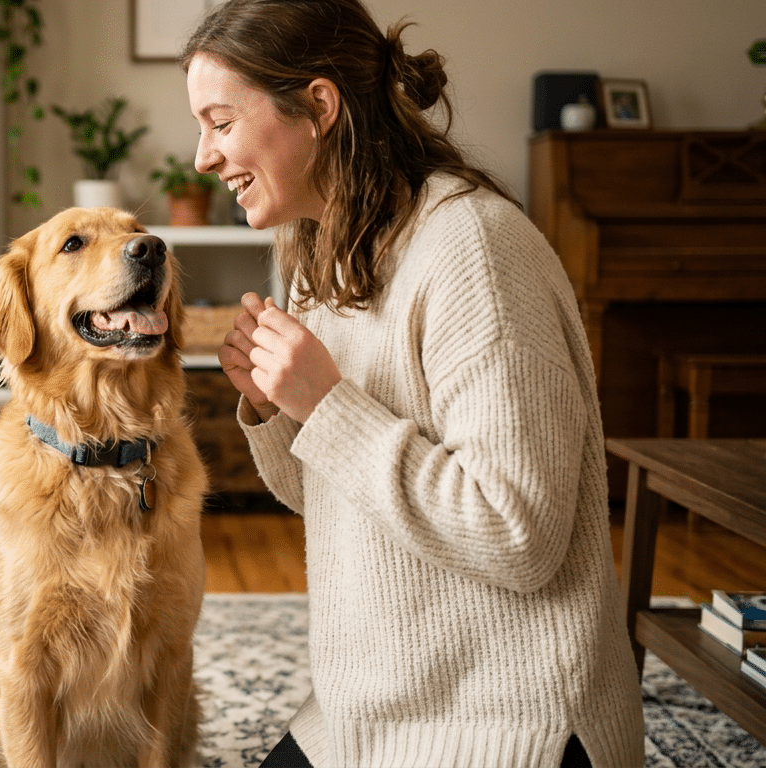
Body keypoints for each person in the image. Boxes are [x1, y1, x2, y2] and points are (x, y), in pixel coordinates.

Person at [181, 1, 645, 766]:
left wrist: (328, 404)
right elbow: (335, 494)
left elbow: (519, 534)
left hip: (506, 724)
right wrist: (276, 409)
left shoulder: (476, 249)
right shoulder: (322, 254)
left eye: (221, 121)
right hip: (363, 713)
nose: (202, 155)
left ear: (318, 107)